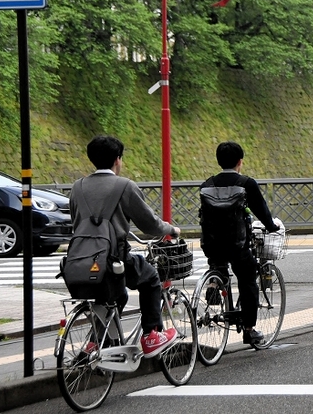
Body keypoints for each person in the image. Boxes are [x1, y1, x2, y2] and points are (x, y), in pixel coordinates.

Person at [70, 136, 180, 357]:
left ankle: (95, 345)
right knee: (149, 279)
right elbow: (149, 225)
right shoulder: (124, 186)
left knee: (116, 297)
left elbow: (78, 221)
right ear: (117, 159)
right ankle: (151, 336)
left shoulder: (77, 187)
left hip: (82, 260)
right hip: (114, 258)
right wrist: (171, 229)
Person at [200, 141, 280, 345]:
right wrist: (271, 226)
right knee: (247, 280)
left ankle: (215, 282)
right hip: (238, 243)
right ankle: (248, 329)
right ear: (240, 162)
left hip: (212, 244)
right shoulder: (246, 183)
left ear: (219, 161)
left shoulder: (207, 185)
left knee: (219, 265)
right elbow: (260, 209)